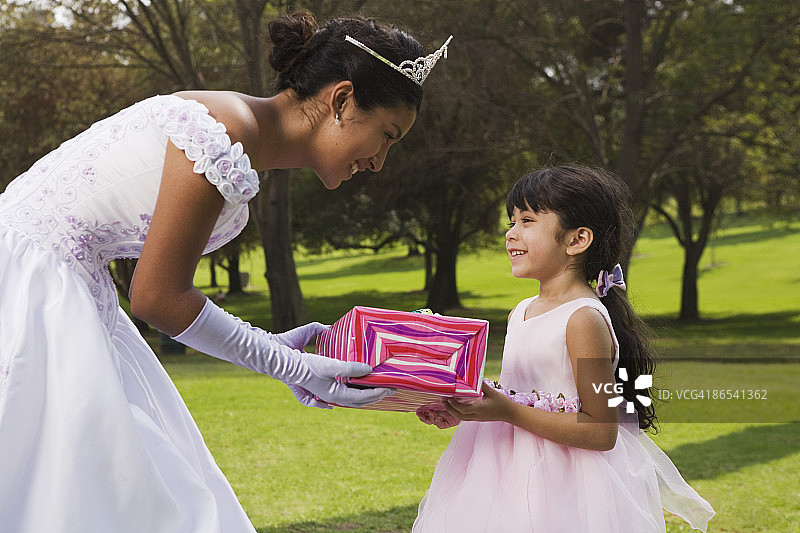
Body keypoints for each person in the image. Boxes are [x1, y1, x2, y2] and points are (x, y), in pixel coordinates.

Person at [0, 10, 451, 533]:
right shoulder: (226, 130)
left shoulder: (237, 133)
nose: (379, 161)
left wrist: (275, 345)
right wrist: (290, 366)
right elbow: (157, 298)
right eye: (387, 136)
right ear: (343, 100)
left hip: (71, 285)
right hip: (31, 284)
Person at [413, 166, 715, 532]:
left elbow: (601, 432)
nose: (511, 233)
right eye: (511, 221)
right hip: (497, 468)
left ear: (577, 240)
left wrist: (506, 410)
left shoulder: (583, 318)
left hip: (564, 481)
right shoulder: (521, 312)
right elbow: (517, 395)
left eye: (527, 220)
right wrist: (464, 408)